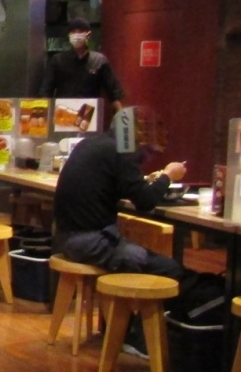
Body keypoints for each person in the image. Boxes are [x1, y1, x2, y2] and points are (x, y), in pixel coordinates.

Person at [52, 120, 187, 279]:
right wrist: (168, 176)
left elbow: (111, 184)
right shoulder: (122, 151)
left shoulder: (89, 143)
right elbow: (145, 201)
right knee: (170, 269)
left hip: (64, 238)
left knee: (143, 253)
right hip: (89, 244)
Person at [39, 17, 124, 114]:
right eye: (73, 32)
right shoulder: (58, 60)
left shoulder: (99, 60)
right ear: (69, 35)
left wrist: (122, 114)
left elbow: (113, 92)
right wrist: (42, 114)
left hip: (90, 114)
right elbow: (46, 90)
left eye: (80, 31)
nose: (77, 35)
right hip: (63, 113)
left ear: (88, 34)